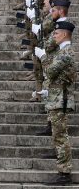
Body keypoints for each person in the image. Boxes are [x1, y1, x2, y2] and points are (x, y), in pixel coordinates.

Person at [37, 21, 76, 186]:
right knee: (58, 136)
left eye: (57, 33)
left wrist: (42, 56)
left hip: (61, 99)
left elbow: (49, 71)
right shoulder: (62, 51)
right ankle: (63, 171)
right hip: (57, 97)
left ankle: (65, 173)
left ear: (65, 34)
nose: (54, 35)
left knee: (61, 136)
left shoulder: (66, 53)